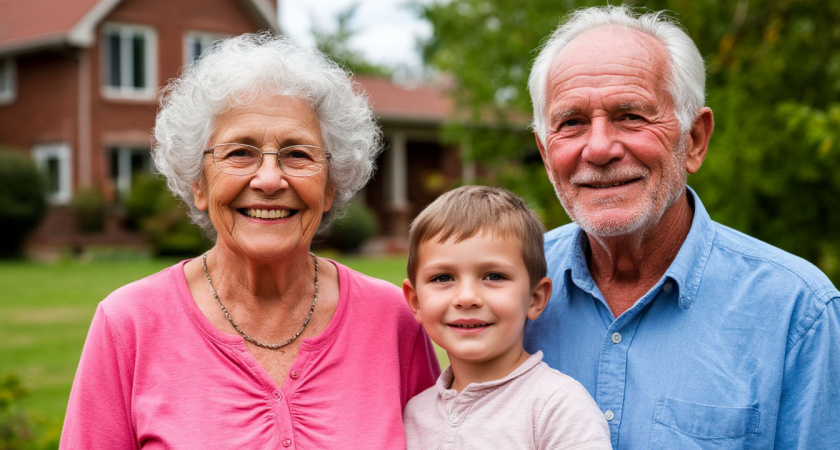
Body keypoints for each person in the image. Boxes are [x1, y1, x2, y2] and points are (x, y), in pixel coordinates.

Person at [60, 33, 440, 448]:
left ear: (331, 186)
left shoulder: (395, 320)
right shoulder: (128, 324)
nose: (270, 180)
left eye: (298, 154)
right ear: (199, 184)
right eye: (240, 153)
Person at [523, 5, 840, 449]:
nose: (598, 149)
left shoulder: (796, 312)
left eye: (631, 116)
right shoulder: (506, 286)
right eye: (571, 123)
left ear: (694, 139)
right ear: (545, 153)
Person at [402, 185, 611, 449]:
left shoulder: (558, 408)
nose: (467, 298)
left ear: (535, 298)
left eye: (494, 276)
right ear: (416, 301)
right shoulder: (413, 414)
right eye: (443, 278)